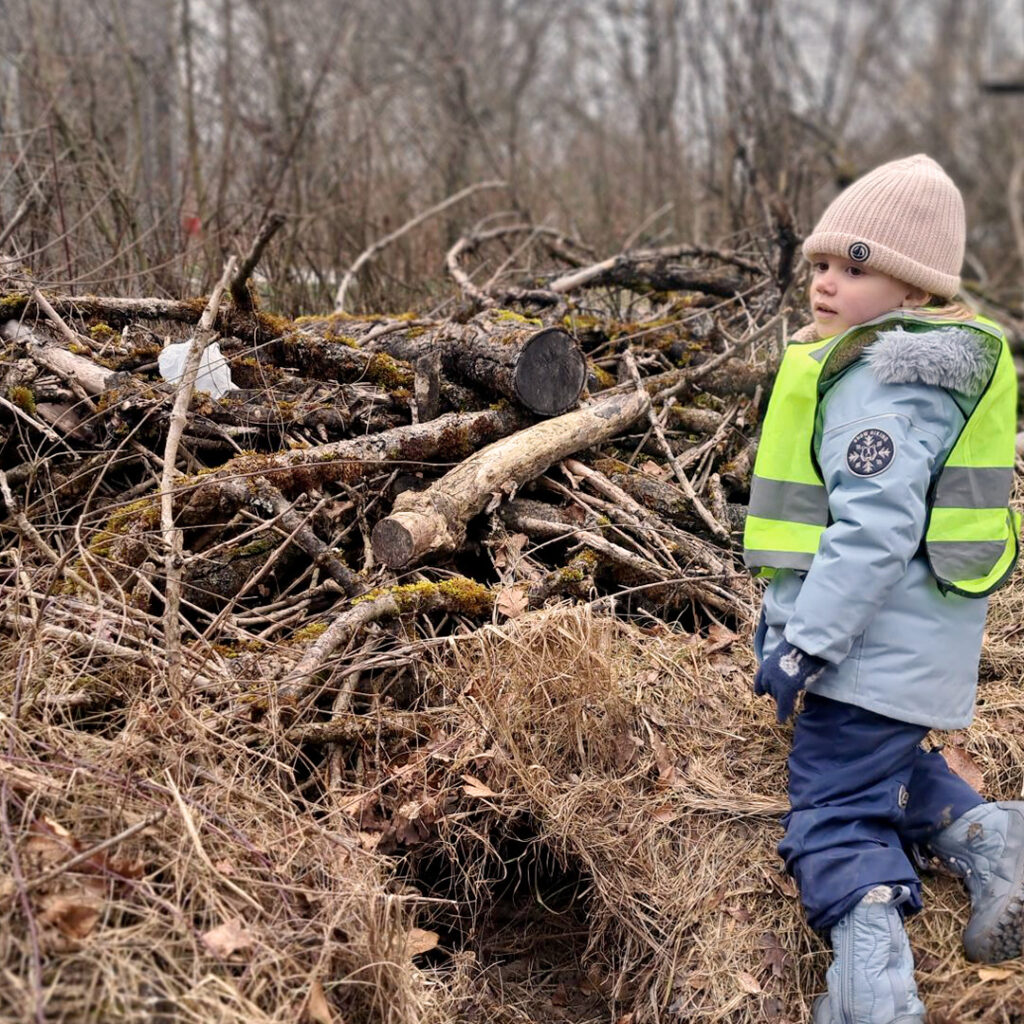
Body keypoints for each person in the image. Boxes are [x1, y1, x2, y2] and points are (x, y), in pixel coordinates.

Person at [743, 154, 1023, 1024]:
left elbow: (873, 534)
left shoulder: (883, 388)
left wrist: (805, 643)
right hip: (904, 651)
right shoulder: (885, 367)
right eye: (823, 264)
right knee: (882, 768)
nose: (827, 283)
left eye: (855, 267)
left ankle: (876, 993)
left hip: (867, 651)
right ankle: (992, 839)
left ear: (914, 289)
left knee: (831, 815)